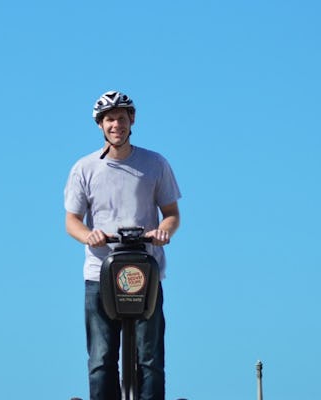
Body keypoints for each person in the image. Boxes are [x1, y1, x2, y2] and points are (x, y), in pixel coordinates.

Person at [63, 91, 181, 400]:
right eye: (110, 119)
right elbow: (71, 220)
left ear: (132, 121)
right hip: (100, 271)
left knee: (150, 357)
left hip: (145, 269)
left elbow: (171, 214)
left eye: (122, 118)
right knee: (101, 358)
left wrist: (162, 232)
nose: (117, 124)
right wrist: (89, 235)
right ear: (100, 125)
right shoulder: (84, 168)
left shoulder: (155, 164)